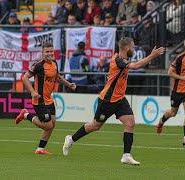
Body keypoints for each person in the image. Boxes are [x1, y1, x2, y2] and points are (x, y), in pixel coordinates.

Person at [62, 37, 165, 165]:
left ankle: (126, 155)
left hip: (120, 99)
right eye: (132, 47)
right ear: (126, 48)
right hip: (108, 100)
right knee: (95, 125)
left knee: (130, 123)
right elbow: (136, 66)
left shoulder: (123, 59)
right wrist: (152, 56)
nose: (133, 49)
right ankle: (71, 139)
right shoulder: (118, 60)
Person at [14, 42, 76, 154]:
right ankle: (26, 115)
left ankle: (40, 149)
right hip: (40, 100)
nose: (49, 53)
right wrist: (33, 92)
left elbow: (57, 77)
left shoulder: (54, 63)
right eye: (47, 52)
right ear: (42, 53)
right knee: (48, 125)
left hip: (49, 99)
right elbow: (24, 78)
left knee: (52, 124)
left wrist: (69, 84)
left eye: (51, 51)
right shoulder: (38, 65)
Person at [156, 37, 185, 146]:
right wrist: (182, 78)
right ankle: (161, 122)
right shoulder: (179, 58)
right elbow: (170, 72)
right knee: (173, 113)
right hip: (177, 91)